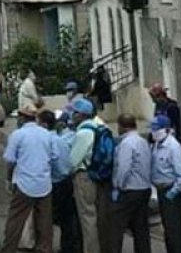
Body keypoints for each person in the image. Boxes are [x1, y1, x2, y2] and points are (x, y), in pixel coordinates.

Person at [2, 103, 59, 253]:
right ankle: (45, 248)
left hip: (23, 183)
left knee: (16, 219)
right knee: (45, 221)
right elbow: (54, 157)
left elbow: (10, 160)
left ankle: (8, 249)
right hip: (44, 183)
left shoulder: (17, 135)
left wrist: (8, 179)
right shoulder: (47, 134)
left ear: (22, 118)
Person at [68, 97, 111, 253]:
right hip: (98, 175)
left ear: (81, 114)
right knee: (99, 215)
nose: (72, 115)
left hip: (84, 176)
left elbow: (72, 162)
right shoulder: (100, 127)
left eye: (75, 112)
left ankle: (91, 250)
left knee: (87, 218)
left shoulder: (84, 132)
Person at [110, 114, 152, 253]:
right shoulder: (142, 141)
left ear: (121, 126)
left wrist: (118, 186)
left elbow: (123, 168)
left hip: (129, 190)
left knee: (115, 227)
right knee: (141, 228)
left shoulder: (127, 143)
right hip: (144, 188)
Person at [42, 109, 80, 253]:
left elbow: (54, 162)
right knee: (67, 218)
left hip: (54, 182)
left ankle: (46, 246)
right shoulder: (60, 140)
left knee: (48, 218)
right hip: (65, 180)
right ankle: (68, 247)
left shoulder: (49, 141)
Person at [151, 115, 181, 253]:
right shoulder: (157, 145)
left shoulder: (173, 147)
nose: (154, 132)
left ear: (166, 130)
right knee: (168, 230)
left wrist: (173, 192)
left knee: (175, 231)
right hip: (162, 192)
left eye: (157, 129)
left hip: (172, 193)